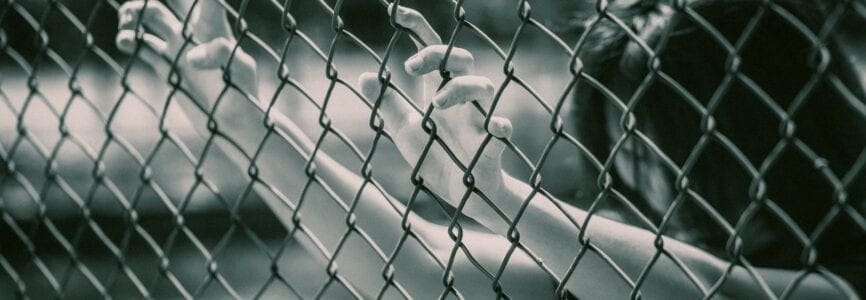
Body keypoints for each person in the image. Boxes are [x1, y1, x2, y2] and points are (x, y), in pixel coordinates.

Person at [114, 0, 864, 298]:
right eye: (617, 129)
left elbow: (723, 296)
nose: (633, 164)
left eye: (657, 129)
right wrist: (248, 127)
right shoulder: (626, 262)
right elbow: (418, 265)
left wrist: (504, 199)